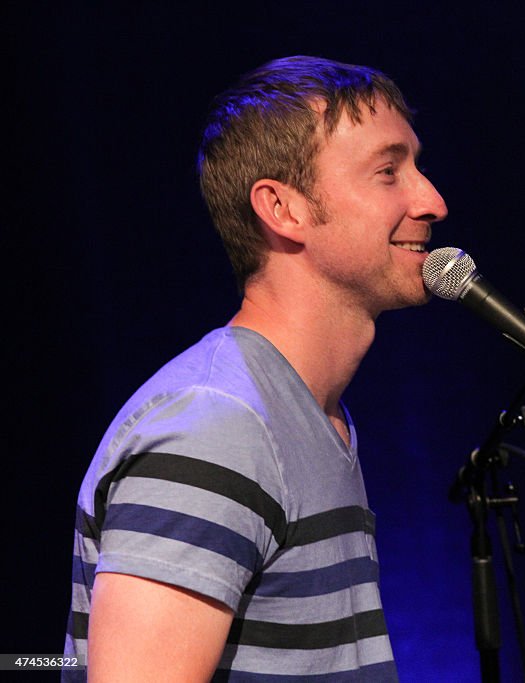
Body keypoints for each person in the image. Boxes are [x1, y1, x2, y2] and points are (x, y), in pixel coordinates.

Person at [64, 55, 448, 681]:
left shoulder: (309, 413)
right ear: (283, 209)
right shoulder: (219, 427)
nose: (432, 200)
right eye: (388, 172)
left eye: (416, 167)